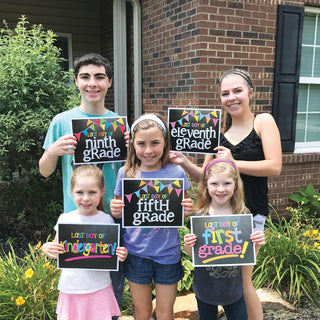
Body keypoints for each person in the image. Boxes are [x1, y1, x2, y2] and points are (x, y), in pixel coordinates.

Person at [170, 69, 282, 320]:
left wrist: (234, 162)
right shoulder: (218, 132)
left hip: (249, 213)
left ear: (250, 93)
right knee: (219, 278)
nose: (231, 97)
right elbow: (205, 175)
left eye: (237, 91)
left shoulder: (263, 121)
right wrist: (185, 163)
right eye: (225, 93)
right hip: (216, 216)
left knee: (243, 282)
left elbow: (275, 166)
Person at [39, 53, 128, 317]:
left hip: (112, 216)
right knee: (78, 287)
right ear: (76, 81)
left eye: (99, 77)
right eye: (85, 77)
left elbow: (129, 172)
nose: (92, 83)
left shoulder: (118, 123)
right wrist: (53, 151)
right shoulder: (61, 121)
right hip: (75, 218)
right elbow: (45, 171)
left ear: (109, 82)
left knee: (111, 288)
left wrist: (132, 147)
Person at [110, 113, 194, 320]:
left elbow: (183, 209)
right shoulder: (126, 173)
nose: (148, 150)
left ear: (165, 142)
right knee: (142, 312)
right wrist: (115, 209)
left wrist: (187, 209)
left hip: (168, 253)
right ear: (133, 145)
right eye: (142, 144)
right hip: (136, 252)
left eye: (155, 143)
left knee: (166, 313)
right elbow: (117, 211)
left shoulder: (176, 173)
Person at [42, 165, 128, 320]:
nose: (86, 198)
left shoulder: (107, 220)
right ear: (71, 192)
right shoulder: (65, 219)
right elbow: (56, 252)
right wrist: (46, 248)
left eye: (92, 192)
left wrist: (120, 253)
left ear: (102, 191)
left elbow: (113, 251)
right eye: (80, 192)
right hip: (71, 289)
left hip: (99, 288)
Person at [184, 159, 265, 320]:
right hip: (205, 288)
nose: (220, 189)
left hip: (233, 289)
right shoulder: (199, 216)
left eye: (227, 183)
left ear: (235, 185)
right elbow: (193, 255)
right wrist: (188, 244)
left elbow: (248, 255)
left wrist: (257, 243)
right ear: (206, 185)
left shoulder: (243, 215)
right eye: (214, 184)